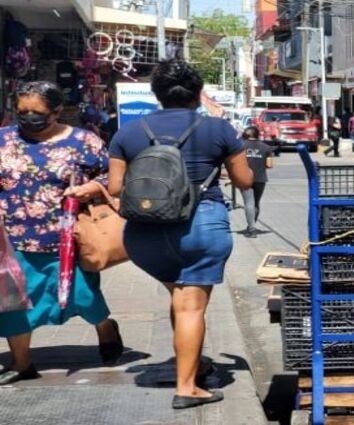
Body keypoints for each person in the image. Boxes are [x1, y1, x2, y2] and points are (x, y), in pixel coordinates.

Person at [108, 59, 254, 408]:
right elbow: (245, 181)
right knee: (191, 305)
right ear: (198, 94)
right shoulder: (218, 129)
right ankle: (187, 388)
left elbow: (115, 188)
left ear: (156, 94)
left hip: (144, 233)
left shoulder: (127, 132)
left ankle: (192, 361)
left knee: (181, 297)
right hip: (201, 226)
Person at [0, 81, 123, 385]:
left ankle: (105, 326)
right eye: (22, 112)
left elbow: (112, 177)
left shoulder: (84, 142)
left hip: (68, 237)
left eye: (37, 112)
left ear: (56, 111)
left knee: (84, 296)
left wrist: (90, 187)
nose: (29, 118)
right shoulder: (3, 140)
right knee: (13, 304)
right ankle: (22, 363)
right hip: (11, 238)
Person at [240, 126, 274, 238]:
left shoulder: (240, 146)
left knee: (248, 202)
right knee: (256, 203)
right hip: (260, 178)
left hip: (245, 177)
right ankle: (252, 225)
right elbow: (269, 165)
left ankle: (251, 228)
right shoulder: (266, 147)